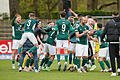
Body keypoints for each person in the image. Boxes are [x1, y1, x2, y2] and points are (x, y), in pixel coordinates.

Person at [101, 11, 120, 76]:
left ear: (112, 15)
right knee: (119, 56)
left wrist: (101, 39)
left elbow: (104, 32)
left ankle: (114, 72)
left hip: (111, 41)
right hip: (119, 41)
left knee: (112, 57)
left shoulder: (109, 22)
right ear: (118, 15)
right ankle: (119, 68)